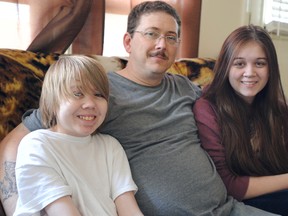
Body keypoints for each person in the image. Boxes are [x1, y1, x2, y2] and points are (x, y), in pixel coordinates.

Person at [0, 2, 279, 216]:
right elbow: (15, 142)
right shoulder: (97, 95)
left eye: (171, 37)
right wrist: (16, 207)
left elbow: (231, 101)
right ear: (128, 42)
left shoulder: (186, 87)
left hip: (227, 208)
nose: (162, 45)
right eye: (152, 34)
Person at [13, 55, 143, 216]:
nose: (90, 104)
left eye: (98, 95)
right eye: (77, 94)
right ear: (52, 102)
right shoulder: (36, 145)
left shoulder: (111, 146)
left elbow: (129, 209)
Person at [193, 24, 288, 215]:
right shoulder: (207, 109)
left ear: (271, 69)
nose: (250, 72)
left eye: (260, 63)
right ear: (226, 67)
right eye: (239, 63)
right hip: (245, 204)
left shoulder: (278, 109)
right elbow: (228, 185)